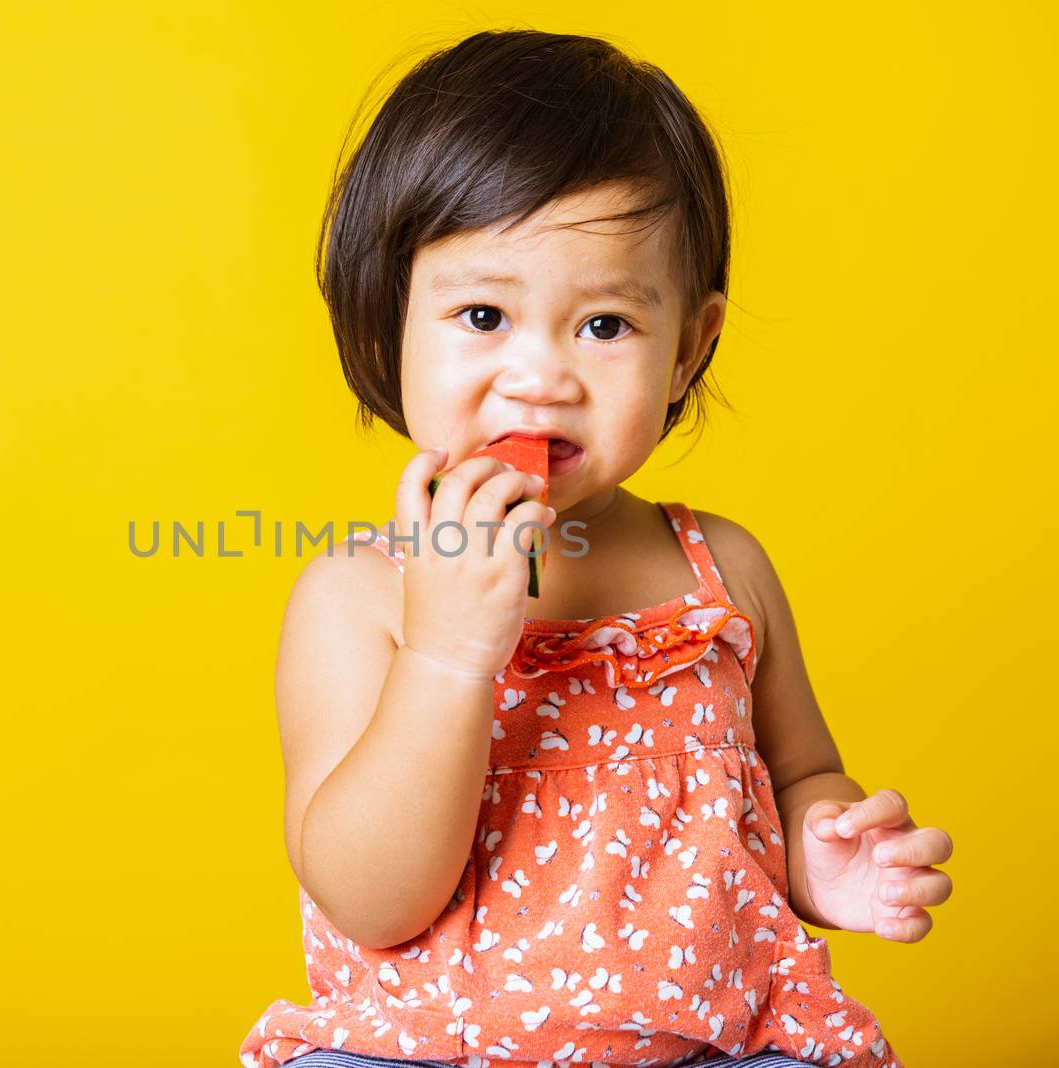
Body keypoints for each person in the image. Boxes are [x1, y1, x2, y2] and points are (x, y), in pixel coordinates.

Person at [240, 28, 953, 1068]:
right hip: (426, 1050)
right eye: (483, 314)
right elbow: (368, 898)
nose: (540, 376)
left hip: (714, 1041)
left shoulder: (722, 570)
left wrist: (829, 854)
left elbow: (801, 776)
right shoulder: (360, 594)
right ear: (391, 320)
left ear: (688, 348)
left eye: (606, 326)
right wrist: (445, 657)